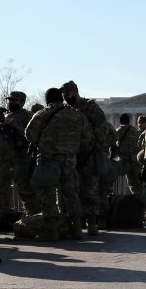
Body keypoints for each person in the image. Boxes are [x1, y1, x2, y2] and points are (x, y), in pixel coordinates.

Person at [25, 88, 91, 239]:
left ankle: (52, 230)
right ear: (61, 99)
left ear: (47, 100)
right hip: (69, 159)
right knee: (71, 194)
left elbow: (29, 135)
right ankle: (77, 229)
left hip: (47, 159)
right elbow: (87, 139)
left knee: (47, 195)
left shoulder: (42, 114)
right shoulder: (77, 115)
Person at [60, 81, 113, 236]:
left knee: (90, 190)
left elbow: (101, 128)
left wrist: (94, 144)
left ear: (74, 92)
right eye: (63, 93)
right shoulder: (65, 109)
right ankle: (72, 223)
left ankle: (92, 223)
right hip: (71, 155)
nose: (64, 96)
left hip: (88, 155)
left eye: (66, 93)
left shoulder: (90, 107)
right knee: (69, 190)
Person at [0, 91, 39, 220]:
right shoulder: (2, 116)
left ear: (22, 102)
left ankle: (35, 222)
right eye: (10, 100)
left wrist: (11, 125)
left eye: (14, 100)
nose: (11, 103)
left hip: (19, 160)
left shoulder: (28, 117)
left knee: (27, 193)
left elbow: (32, 137)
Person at [114, 113, 142, 195]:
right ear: (129, 121)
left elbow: (112, 144)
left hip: (124, 160)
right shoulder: (135, 131)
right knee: (137, 182)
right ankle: (139, 199)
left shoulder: (118, 131)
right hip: (135, 159)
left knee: (130, 182)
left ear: (120, 121)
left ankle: (134, 199)